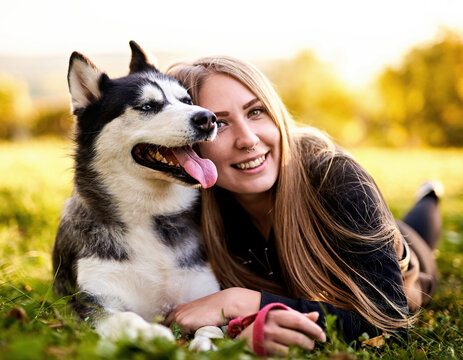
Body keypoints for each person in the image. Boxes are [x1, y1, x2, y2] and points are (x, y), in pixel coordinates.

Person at [164, 56, 442, 356]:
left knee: (419, 230)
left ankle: (430, 195)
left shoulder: (335, 177)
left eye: (256, 111)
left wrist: (243, 302)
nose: (248, 139)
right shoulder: (190, 205)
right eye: (218, 123)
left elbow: (390, 324)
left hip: (403, 260)